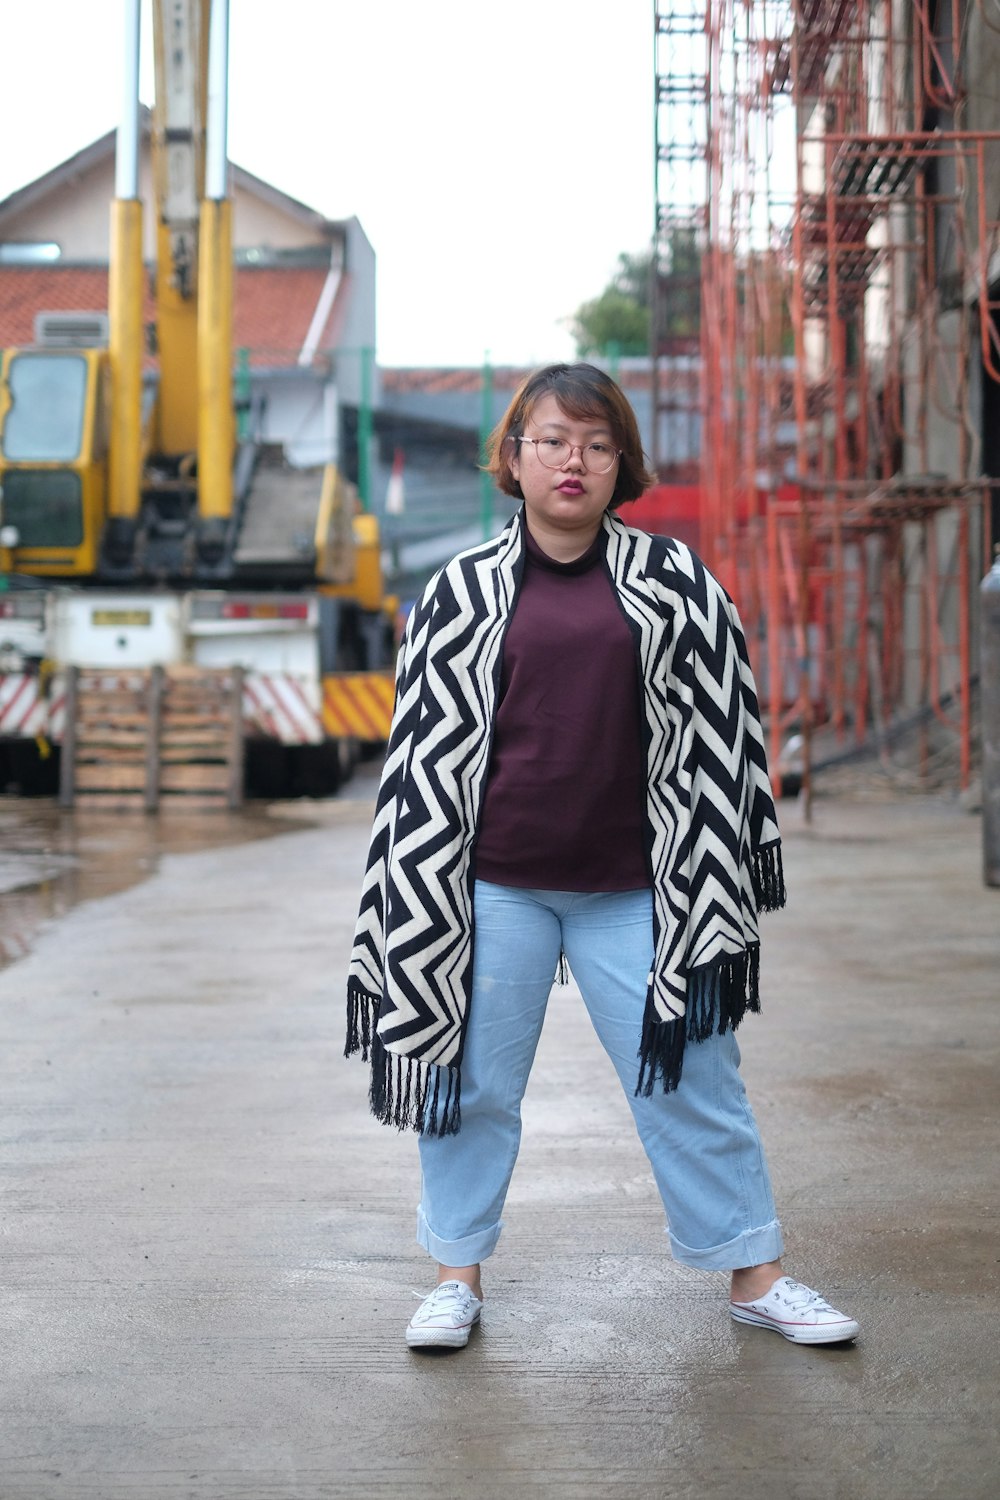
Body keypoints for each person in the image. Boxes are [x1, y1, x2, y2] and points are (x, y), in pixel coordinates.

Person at [346, 362, 859, 1352]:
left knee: (694, 1075)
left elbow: (725, 729)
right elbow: (418, 759)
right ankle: (457, 1278)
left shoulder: (673, 582)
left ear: (619, 461)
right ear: (514, 457)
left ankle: (756, 1276)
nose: (571, 461)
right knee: (470, 1084)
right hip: (492, 887)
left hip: (640, 886)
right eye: (551, 441)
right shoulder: (460, 591)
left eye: (593, 443)